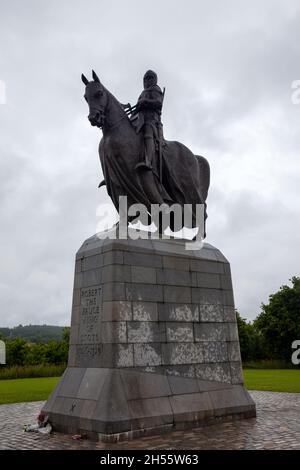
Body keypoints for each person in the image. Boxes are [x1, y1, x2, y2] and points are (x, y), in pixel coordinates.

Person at [132, 70, 164, 177]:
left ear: (154, 79)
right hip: (140, 120)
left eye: (149, 78)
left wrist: (145, 102)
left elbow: (158, 103)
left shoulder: (155, 89)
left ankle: (149, 161)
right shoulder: (142, 93)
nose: (147, 80)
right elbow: (137, 109)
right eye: (145, 78)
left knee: (148, 130)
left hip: (152, 121)